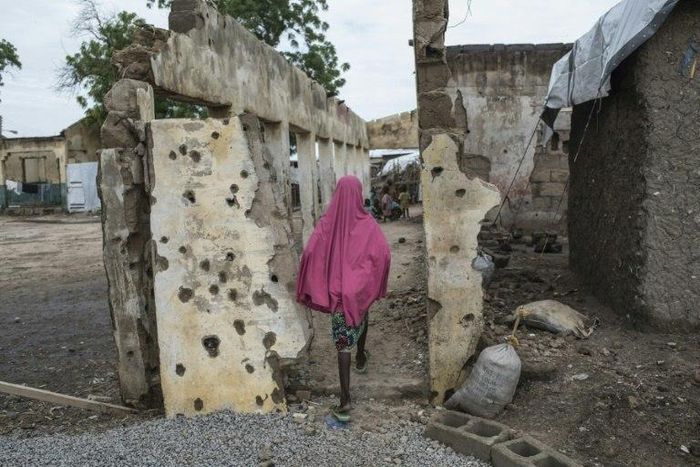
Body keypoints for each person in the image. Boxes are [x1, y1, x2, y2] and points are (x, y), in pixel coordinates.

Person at [297, 176, 391, 422]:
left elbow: (308, 252)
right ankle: (361, 357)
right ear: (359, 194)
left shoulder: (327, 222)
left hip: (339, 293)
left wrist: (318, 275)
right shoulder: (368, 223)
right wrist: (369, 279)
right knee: (362, 315)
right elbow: (384, 254)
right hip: (359, 291)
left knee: (342, 343)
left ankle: (346, 401)